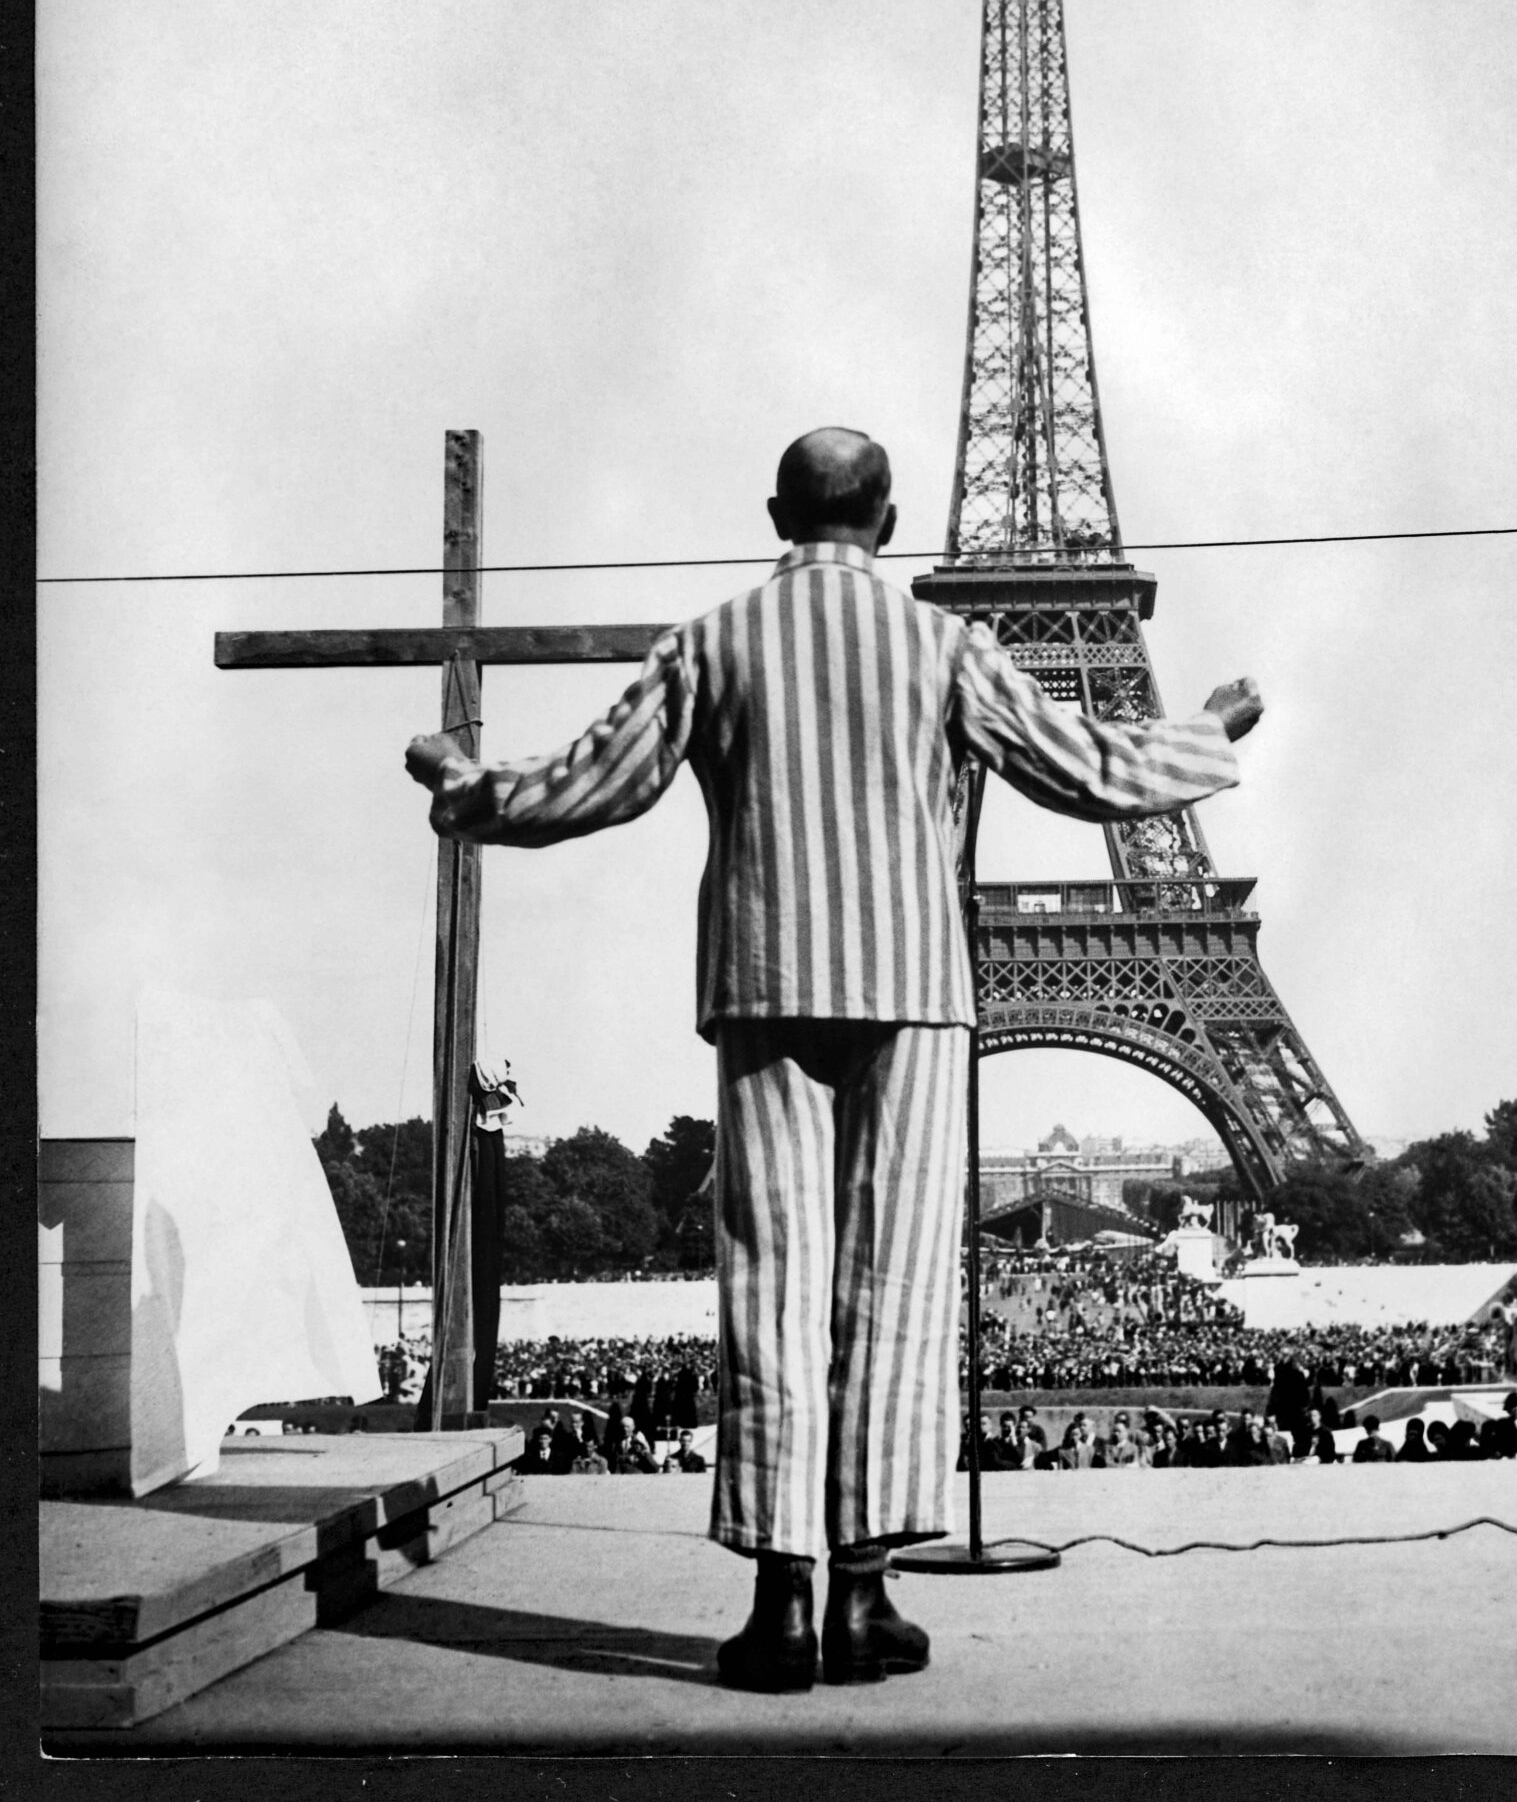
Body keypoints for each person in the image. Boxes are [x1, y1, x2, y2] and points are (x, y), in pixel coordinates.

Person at [408, 428, 1259, 1696]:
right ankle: (863, 1596)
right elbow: (1083, 767)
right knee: (898, 1289)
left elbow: (592, 786)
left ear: (775, 514)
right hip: (910, 988)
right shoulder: (943, 642)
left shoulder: (712, 639)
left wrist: (466, 785)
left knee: (770, 1288)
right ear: (890, 519)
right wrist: (1204, 733)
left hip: (764, 984)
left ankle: (778, 1607)